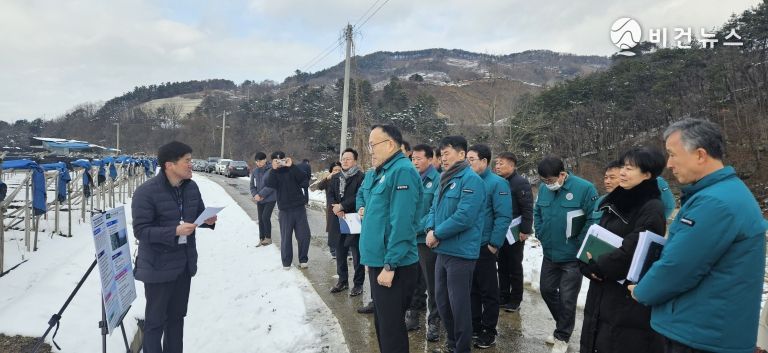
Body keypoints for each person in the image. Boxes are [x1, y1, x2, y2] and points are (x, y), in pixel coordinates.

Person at [630, 118, 768, 353]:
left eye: (672, 154)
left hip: (701, 335)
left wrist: (642, 290)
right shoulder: (725, 193)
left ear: (700, 155)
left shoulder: (715, 203)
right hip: (708, 329)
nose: (669, 164)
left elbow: (679, 267)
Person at [579, 146, 667, 353]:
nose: (623, 173)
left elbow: (635, 249)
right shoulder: (616, 200)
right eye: (623, 167)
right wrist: (584, 262)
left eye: (631, 168)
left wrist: (599, 266)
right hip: (601, 286)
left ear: (647, 174)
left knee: (616, 341)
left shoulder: (652, 207)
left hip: (625, 295)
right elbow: (597, 236)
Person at [132, 141, 217, 353]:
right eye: (187, 161)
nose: (191, 165)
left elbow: (198, 213)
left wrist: (208, 220)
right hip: (157, 267)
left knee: (177, 319)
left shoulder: (191, 187)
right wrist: (174, 232)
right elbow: (141, 231)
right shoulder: (146, 192)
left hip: (183, 265)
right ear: (170, 165)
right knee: (155, 323)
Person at [359, 124, 422, 353]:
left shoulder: (402, 171)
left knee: (392, 329)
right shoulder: (383, 172)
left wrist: (390, 263)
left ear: (390, 144)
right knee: (383, 324)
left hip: (395, 264)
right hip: (381, 261)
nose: (371, 150)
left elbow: (403, 223)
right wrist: (373, 260)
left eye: (373, 144)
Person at [425, 136, 486, 353]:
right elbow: (433, 208)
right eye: (441, 155)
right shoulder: (444, 178)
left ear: (461, 154)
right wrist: (429, 228)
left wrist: (437, 233)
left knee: (458, 305)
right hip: (442, 250)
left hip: (461, 253)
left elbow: (464, 217)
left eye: (447, 153)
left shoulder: (471, 180)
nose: (443, 158)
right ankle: (452, 344)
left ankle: (461, 348)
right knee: (442, 302)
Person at [534, 156, 598, 353]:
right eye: (544, 181)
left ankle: (562, 336)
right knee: (546, 290)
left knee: (568, 298)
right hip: (550, 252)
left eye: (551, 180)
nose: (548, 185)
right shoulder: (544, 189)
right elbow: (538, 212)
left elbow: (593, 218)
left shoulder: (585, 189)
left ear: (562, 174)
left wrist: (580, 244)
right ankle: (563, 325)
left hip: (572, 255)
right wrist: (541, 232)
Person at [467, 144, 511, 349]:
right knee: (472, 289)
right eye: (467, 159)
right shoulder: (468, 181)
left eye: (472, 159)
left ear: (484, 161)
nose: (468, 163)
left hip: (485, 245)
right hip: (468, 245)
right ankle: (475, 325)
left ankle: (488, 330)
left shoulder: (497, 184)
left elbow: (503, 216)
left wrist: (494, 244)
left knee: (488, 290)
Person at [407, 144, 442, 340]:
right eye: (413, 159)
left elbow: (433, 211)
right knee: (413, 281)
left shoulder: (437, 180)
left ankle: (434, 321)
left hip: (426, 240)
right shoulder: (411, 179)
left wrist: (417, 228)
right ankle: (413, 314)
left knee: (432, 282)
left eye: (419, 158)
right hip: (410, 239)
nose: (416, 162)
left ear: (430, 159)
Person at [494, 152, 534, 313]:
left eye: (501, 163)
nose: (497, 166)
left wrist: (525, 229)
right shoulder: (498, 182)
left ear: (512, 165)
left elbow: (527, 208)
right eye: (496, 163)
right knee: (501, 264)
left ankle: (515, 299)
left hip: (515, 231)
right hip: (501, 231)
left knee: (514, 265)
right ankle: (503, 295)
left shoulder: (520, 183)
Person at [265, 151, 311, 269]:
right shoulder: (272, 172)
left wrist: (292, 166)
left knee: (304, 235)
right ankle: (286, 262)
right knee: (286, 237)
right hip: (285, 210)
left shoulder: (292, 169)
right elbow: (269, 184)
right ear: (273, 161)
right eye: (277, 160)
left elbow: (304, 180)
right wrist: (273, 169)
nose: (280, 162)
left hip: (299, 207)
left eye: (282, 159)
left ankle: (303, 259)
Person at [329, 148, 365, 296]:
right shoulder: (336, 177)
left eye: (348, 158)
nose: (345, 161)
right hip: (339, 218)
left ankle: (358, 284)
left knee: (357, 253)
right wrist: (336, 208)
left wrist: (343, 206)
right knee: (340, 251)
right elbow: (330, 194)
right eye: (343, 158)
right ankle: (342, 281)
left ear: (355, 161)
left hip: (354, 218)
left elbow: (359, 196)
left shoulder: (360, 177)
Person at [355, 158, 378, 315]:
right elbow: (361, 194)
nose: (374, 158)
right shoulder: (369, 175)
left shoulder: (394, 174)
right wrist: (361, 206)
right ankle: (374, 300)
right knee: (371, 264)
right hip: (368, 227)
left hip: (382, 227)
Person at [316, 161, 342, 258]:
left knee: (344, 228)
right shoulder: (329, 180)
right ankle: (333, 250)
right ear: (331, 171)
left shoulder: (344, 179)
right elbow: (319, 187)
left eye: (339, 170)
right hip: (331, 208)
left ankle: (346, 250)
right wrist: (327, 178)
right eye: (335, 170)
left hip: (343, 207)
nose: (337, 172)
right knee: (332, 229)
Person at [250, 152, 277, 246]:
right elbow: (252, 186)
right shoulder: (255, 171)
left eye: (260, 161)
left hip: (271, 198)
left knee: (265, 216)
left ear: (265, 160)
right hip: (259, 199)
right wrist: (255, 195)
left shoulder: (272, 170)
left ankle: (268, 238)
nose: (258, 163)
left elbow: (272, 185)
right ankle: (262, 239)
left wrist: (260, 195)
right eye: (256, 162)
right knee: (260, 219)